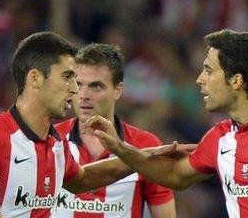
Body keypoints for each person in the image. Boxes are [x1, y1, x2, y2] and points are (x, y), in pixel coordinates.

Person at [84, 29, 248, 218]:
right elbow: (175, 175)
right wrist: (118, 146)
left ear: (236, 81)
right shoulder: (219, 138)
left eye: (209, 71)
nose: (200, 80)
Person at [0, 32, 142, 217]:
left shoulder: (57, 144)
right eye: (67, 77)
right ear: (35, 78)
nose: (75, 89)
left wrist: (147, 157)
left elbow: (82, 179)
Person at [53, 43, 176, 218]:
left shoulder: (145, 146)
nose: (84, 95)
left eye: (96, 86)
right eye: (78, 84)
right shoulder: (50, 141)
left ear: (118, 90)